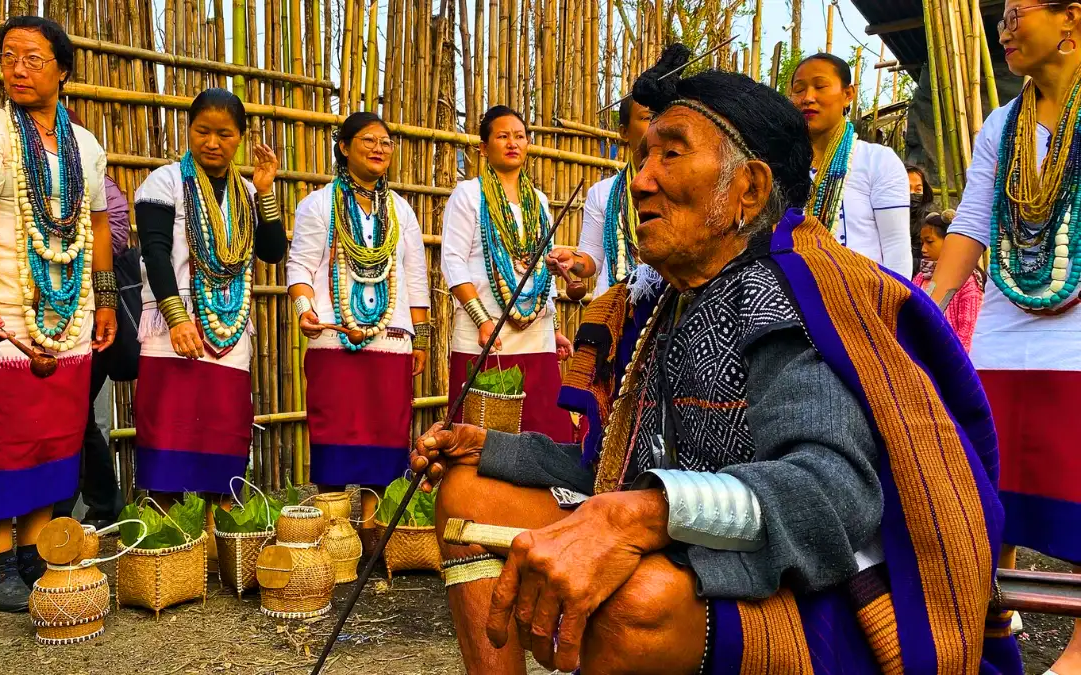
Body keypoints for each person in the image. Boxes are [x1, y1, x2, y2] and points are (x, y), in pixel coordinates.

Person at [412, 46, 1017, 675]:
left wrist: (647, 514)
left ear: (747, 190)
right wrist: (493, 449)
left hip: (811, 596)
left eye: (670, 154)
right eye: (644, 154)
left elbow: (831, 492)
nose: (641, 178)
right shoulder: (671, 303)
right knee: (471, 490)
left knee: (637, 603)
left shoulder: (786, 295)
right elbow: (617, 473)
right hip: (699, 557)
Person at [929, 2, 1081, 672]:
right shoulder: (1001, 124)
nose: (1005, 28)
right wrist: (928, 306)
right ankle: (989, 630)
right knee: (984, 483)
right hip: (1004, 326)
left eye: (1017, 12)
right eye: (1001, 18)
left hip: (1076, 335)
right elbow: (970, 223)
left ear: (1070, 19)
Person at [0, 16, 116, 612]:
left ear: (63, 70)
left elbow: (96, 223)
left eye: (33, 58)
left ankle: (32, 552)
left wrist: (104, 299)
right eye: (9, 56)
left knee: (52, 435)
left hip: (66, 311)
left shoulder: (87, 147)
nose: (17, 69)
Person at [132, 88, 287, 502]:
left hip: (229, 329)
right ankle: (165, 539)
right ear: (189, 130)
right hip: (171, 327)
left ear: (241, 138)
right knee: (168, 430)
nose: (213, 143)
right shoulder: (163, 182)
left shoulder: (249, 193)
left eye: (225, 134)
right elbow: (155, 252)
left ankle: (220, 543)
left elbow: (273, 253)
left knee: (223, 433)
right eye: (203, 131)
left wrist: (267, 192)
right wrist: (178, 318)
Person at [286, 111, 430, 535]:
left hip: (391, 340)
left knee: (386, 435)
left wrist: (419, 338)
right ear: (344, 147)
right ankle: (333, 531)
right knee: (333, 430)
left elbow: (416, 277)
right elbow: (299, 266)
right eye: (368, 140)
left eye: (386, 142)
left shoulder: (401, 211)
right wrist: (303, 309)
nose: (379, 149)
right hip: (335, 339)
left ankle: (372, 529)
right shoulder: (318, 204)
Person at [440, 106, 574, 442]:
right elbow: (453, 262)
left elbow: (544, 270)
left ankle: (542, 496)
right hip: (485, 331)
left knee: (543, 429)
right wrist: (482, 320)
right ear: (484, 148)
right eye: (502, 136)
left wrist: (553, 329)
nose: (513, 143)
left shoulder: (538, 201)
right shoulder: (469, 194)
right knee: (483, 436)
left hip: (536, 331)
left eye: (519, 136)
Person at [51, 109, 130, 529]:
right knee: (71, 414)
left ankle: (65, 512)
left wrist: (54, 238)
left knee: (73, 412)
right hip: (35, 310)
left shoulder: (97, 178)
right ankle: (101, 503)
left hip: (82, 308)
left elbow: (115, 233)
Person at [790, 53, 913, 277]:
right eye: (799, 90)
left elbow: (896, 246)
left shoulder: (877, 161)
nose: (808, 97)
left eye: (820, 86)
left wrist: (896, 307)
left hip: (865, 299)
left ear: (847, 94)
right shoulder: (780, 164)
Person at [545, 92, 653, 297]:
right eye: (647, 118)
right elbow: (591, 260)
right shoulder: (603, 193)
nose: (655, 124)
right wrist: (572, 260)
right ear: (624, 131)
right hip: (610, 308)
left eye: (660, 116)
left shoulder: (683, 190)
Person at [915, 210, 983, 351]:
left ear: (949, 242)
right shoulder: (920, 278)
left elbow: (967, 330)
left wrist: (955, 362)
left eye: (930, 242)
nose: (923, 249)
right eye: (922, 242)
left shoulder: (967, 281)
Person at [907, 163, 935, 270]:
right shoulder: (880, 222)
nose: (913, 194)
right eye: (907, 188)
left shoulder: (930, 223)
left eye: (918, 190)